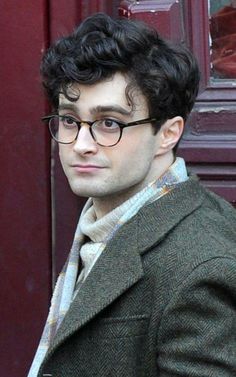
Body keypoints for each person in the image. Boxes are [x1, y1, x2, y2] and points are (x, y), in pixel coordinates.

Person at [28, 12, 236, 377]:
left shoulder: (203, 266)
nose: (81, 145)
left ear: (169, 133)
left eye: (109, 123)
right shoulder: (106, 222)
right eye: (70, 120)